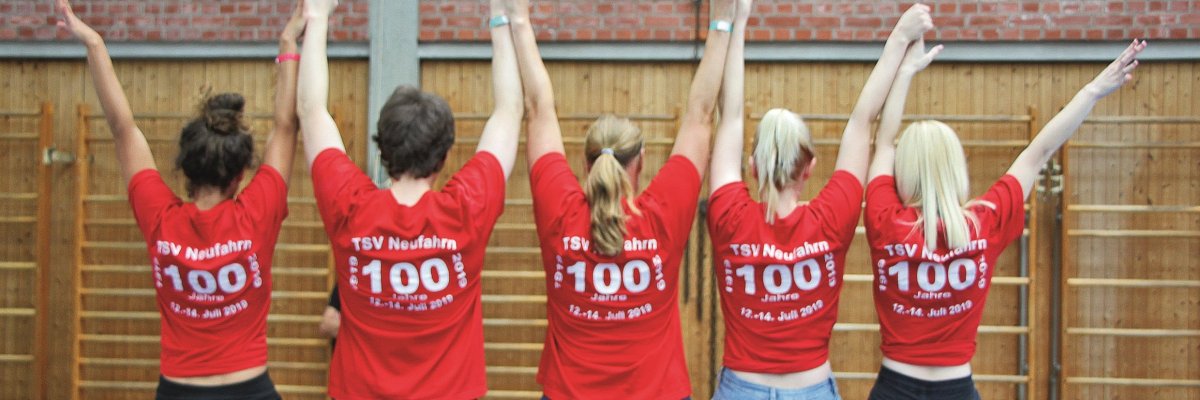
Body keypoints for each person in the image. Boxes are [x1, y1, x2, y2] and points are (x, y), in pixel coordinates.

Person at [864, 39, 1146, 399]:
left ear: (903, 171)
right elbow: (1039, 152)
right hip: (956, 388)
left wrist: (904, 73)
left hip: (894, 387)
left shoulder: (885, 219)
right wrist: (1091, 91)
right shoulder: (984, 221)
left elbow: (884, 142)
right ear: (956, 167)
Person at [57, 0, 306, 398]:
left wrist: (95, 45)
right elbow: (286, 125)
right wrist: (287, 41)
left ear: (186, 170)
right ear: (240, 175)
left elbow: (123, 129)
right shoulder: (258, 211)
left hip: (179, 389)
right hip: (250, 389)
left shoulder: (160, 216)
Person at [705, 4, 935, 400]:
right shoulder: (831, 216)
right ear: (809, 167)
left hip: (742, 387)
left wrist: (738, 23)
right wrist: (898, 39)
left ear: (752, 168)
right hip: (810, 387)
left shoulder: (729, 215)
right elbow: (862, 123)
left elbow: (729, 118)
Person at [295, 0, 523, 397]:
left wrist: (317, 16)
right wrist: (501, 18)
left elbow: (311, 111)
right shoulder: (465, 209)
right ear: (446, 155)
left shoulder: (351, 207)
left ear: (382, 149)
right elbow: (509, 111)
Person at [507, 0, 733, 397]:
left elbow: (538, 109)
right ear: (641, 162)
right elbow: (701, 114)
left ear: (585, 162)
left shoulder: (561, 210)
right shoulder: (661, 214)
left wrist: (518, 20)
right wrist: (723, 22)